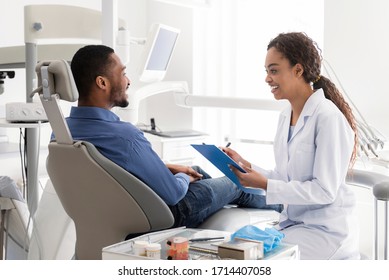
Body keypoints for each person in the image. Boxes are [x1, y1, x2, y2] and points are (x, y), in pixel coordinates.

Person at [63, 44, 282, 229]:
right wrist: (183, 178)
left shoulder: (63, 131)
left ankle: (221, 194)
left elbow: (112, 170)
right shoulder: (126, 136)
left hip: (117, 212)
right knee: (234, 182)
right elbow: (173, 194)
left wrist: (174, 169)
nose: (128, 81)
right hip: (166, 214)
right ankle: (283, 206)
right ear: (102, 82)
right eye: (122, 73)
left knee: (195, 170)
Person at [224, 32, 360, 260]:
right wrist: (248, 167)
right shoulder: (286, 115)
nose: (268, 78)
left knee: (253, 261)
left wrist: (266, 184)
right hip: (295, 224)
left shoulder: (328, 118)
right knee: (235, 248)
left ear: (298, 70)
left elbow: (324, 191)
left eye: (274, 70)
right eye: (267, 71)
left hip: (326, 232)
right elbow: (285, 176)